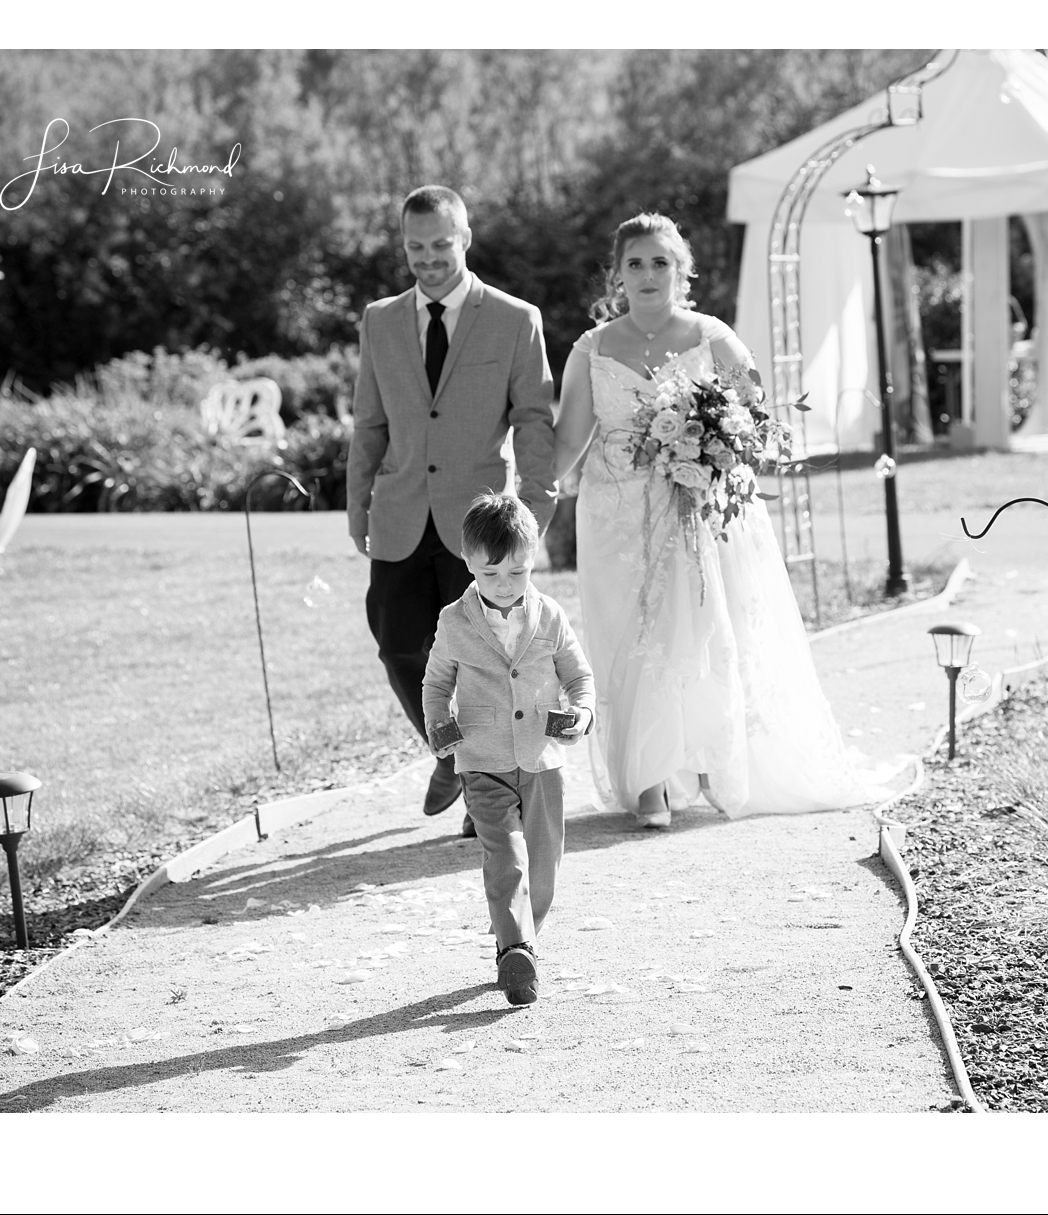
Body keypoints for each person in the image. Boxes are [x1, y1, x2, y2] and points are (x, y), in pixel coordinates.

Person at [552, 213, 884, 828]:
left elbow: (755, 427)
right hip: (616, 517)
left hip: (701, 511)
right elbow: (570, 437)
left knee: (701, 633)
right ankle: (649, 781)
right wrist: (527, 492)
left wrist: (706, 446)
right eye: (635, 263)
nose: (648, 275)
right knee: (630, 637)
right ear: (617, 274)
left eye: (661, 262)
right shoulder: (591, 349)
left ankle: (711, 763)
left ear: (682, 271)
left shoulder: (715, 339)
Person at [346, 185, 558, 826]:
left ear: (465, 240)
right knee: (396, 643)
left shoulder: (515, 317)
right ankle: (449, 753)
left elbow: (533, 421)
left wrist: (534, 512)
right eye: (416, 247)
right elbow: (369, 423)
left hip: (483, 520)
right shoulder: (380, 319)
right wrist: (358, 505)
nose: (429, 258)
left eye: (442, 244)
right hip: (401, 513)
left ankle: (489, 792)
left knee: (492, 659)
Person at [420, 493, 593, 1007]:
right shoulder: (453, 622)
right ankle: (516, 949)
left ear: (533, 558)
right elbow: (435, 685)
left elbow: (578, 676)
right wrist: (439, 724)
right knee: (507, 857)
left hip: (542, 760)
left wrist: (581, 713)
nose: (504, 585)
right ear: (468, 562)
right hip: (483, 762)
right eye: (490, 574)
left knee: (543, 867)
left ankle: (519, 940)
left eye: (516, 573)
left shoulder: (552, 616)